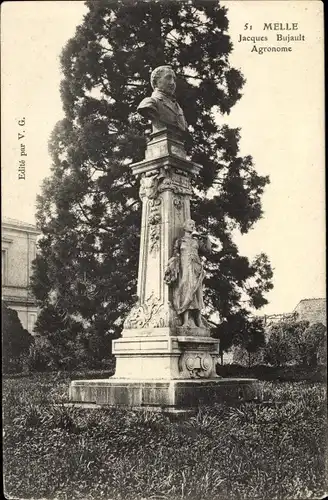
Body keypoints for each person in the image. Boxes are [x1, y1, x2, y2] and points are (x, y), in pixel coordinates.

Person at [164, 219, 211, 327]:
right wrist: (171, 266)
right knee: (185, 290)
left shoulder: (196, 241)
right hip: (184, 268)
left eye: (193, 225)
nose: (192, 226)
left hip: (196, 268)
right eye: (190, 224)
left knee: (197, 292)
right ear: (184, 227)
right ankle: (186, 320)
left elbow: (207, 251)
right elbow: (175, 255)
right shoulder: (180, 241)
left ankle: (198, 320)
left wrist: (206, 238)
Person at [137, 65, 187, 132]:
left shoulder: (179, 108)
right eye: (168, 78)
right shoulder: (150, 102)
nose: (172, 83)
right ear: (156, 82)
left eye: (174, 79)